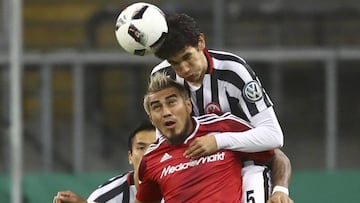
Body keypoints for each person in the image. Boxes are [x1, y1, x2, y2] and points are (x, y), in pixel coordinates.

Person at [151, 12, 293, 203]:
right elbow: (165, 139)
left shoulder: (233, 71)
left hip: (245, 164)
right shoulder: (163, 76)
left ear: (201, 42)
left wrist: (217, 141)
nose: (184, 69)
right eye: (175, 63)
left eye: (187, 57)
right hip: (193, 169)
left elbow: (273, 136)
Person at [135, 72, 275, 203]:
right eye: (157, 107)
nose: (166, 112)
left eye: (171, 102)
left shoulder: (223, 126)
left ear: (188, 106)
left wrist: (280, 190)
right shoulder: (151, 159)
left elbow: (275, 157)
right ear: (151, 119)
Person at [53, 120, 157, 203]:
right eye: (141, 148)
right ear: (130, 157)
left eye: (155, 147)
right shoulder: (107, 196)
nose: (147, 154)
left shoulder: (173, 187)